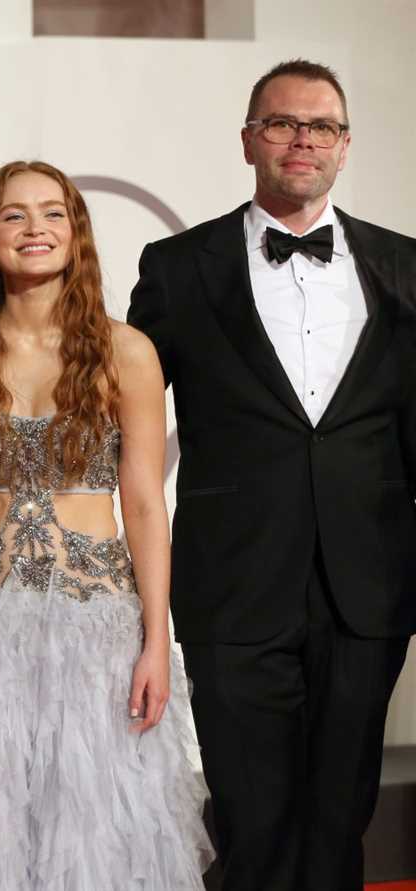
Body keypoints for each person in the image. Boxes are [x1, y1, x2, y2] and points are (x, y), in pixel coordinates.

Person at [127, 59, 416, 891]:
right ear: (250, 140)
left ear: (346, 145)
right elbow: (129, 432)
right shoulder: (178, 268)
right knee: (251, 821)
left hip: (367, 585)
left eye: (320, 126)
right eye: (282, 124)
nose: (302, 140)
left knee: (339, 817)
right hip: (234, 583)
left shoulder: (402, 267)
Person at [0, 161, 214, 889]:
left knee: (99, 841)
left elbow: (143, 503)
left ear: (76, 234)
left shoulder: (127, 350)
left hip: (97, 629)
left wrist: (156, 642)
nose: (34, 228)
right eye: (14, 215)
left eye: (52, 213)